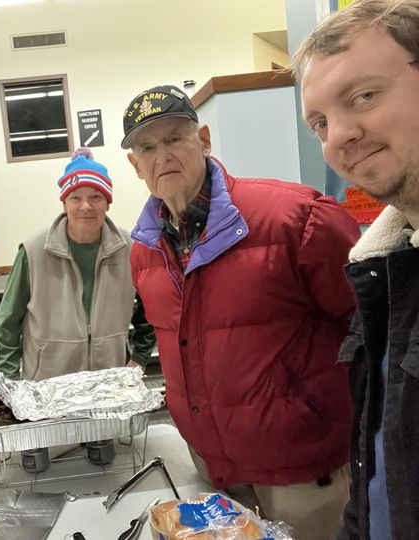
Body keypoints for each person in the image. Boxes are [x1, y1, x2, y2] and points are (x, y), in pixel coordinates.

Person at [121, 84, 360, 540]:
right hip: (215, 471)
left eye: (175, 138)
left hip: (301, 472)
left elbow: (371, 330)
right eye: (147, 147)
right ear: (135, 165)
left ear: (204, 140)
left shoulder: (296, 218)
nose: (162, 155)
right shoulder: (144, 252)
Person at [295, 1, 419, 538]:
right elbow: (379, 473)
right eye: (319, 122)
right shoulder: (383, 271)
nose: (337, 137)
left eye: (364, 95)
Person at [0, 147, 155, 381]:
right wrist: (9, 381)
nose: (86, 206)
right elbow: (7, 323)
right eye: (76, 197)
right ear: (64, 203)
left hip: (109, 384)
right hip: (46, 386)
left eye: (96, 197)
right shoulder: (33, 252)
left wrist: (138, 360)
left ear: (108, 203)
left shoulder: (131, 250)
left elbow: (149, 314)